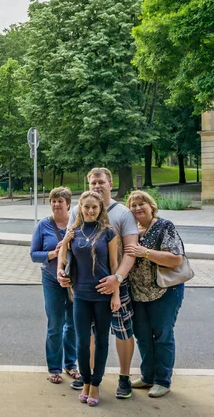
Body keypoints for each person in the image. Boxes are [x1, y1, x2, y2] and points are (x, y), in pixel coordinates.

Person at [67, 168, 138, 399]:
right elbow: (69, 245)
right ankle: (88, 379)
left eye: (101, 182)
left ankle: (124, 378)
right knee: (86, 335)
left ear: (110, 183)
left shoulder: (122, 213)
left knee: (121, 331)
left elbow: (130, 251)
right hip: (85, 287)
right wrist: (63, 270)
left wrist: (116, 280)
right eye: (93, 182)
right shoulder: (78, 210)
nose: (97, 186)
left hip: (117, 282)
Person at [57, 191, 119, 407]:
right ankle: (85, 381)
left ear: (100, 208)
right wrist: (60, 271)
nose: (91, 211)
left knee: (101, 342)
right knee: (82, 342)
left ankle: (95, 384)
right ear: (80, 209)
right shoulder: (73, 231)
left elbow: (114, 266)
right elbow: (62, 256)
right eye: (87, 207)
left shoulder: (109, 232)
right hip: (80, 295)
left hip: (103, 294)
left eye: (95, 207)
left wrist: (116, 295)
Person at [124, 190, 186, 398]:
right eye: (133, 205)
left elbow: (176, 259)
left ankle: (162, 380)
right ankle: (147, 376)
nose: (137, 208)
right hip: (137, 293)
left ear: (152, 206)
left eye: (141, 204)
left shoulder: (164, 226)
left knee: (162, 335)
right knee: (142, 335)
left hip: (165, 290)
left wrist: (146, 252)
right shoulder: (130, 229)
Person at [30, 187, 81, 384]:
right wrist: (52, 253)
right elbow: (34, 254)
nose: (56, 204)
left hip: (74, 280)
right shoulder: (44, 225)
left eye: (60, 201)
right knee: (55, 325)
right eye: (53, 201)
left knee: (74, 324)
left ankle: (70, 364)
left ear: (68, 203)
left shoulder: (77, 223)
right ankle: (54, 368)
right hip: (52, 279)